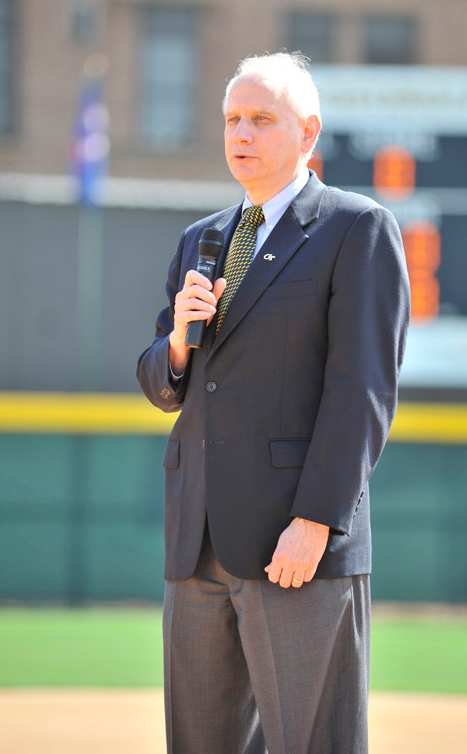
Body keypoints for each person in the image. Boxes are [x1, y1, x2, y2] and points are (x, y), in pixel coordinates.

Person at [136, 52, 410, 753]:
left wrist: (317, 519)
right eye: (232, 119)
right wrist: (176, 342)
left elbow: (364, 390)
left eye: (262, 118)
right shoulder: (201, 240)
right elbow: (164, 384)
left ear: (308, 132)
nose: (242, 133)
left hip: (297, 547)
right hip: (195, 544)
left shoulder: (357, 229)